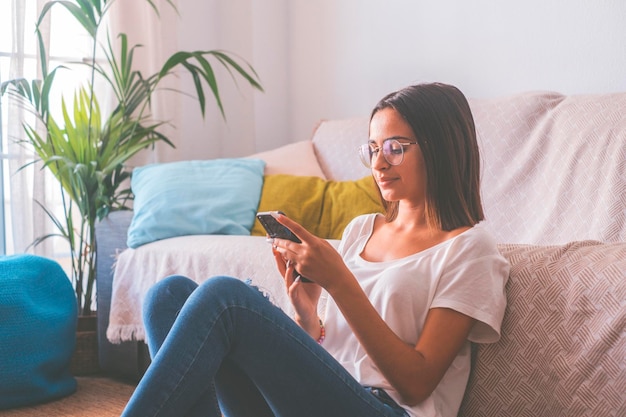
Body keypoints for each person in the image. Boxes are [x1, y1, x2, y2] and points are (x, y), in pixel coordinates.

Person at [120, 82, 509, 417]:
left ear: (440, 148)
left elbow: (416, 383)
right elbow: (331, 360)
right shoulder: (362, 229)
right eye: (372, 148)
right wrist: (309, 319)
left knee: (226, 299)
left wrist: (340, 281)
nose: (379, 163)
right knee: (166, 295)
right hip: (324, 399)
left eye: (395, 147)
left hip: (386, 409)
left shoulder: (469, 249)